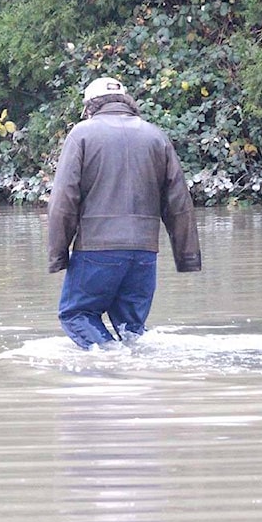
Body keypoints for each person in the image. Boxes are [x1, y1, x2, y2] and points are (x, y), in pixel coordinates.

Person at [46, 76, 201, 349]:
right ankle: (135, 372)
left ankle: (111, 362)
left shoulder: (81, 134)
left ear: (89, 107)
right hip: (144, 254)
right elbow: (179, 203)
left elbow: (63, 200)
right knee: (131, 329)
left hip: (97, 250)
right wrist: (187, 257)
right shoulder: (156, 136)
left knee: (76, 314)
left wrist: (59, 254)